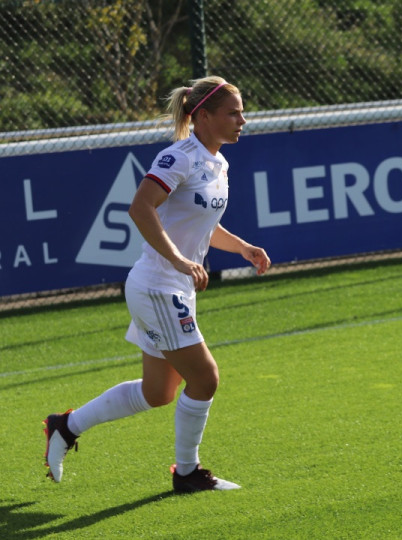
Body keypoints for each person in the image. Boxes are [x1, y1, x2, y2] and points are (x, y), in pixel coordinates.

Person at [43, 76, 271, 493]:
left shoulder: (217, 162)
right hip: (157, 286)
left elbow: (201, 222)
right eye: (233, 112)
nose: (243, 119)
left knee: (159, 391)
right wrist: (180, 260)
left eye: (242, 111)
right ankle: (187, 472)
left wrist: (241, 247)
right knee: (205, 379)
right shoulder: (179, 156)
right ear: (203, 116)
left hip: (173, 287)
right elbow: (140, 208)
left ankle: (65, 426)